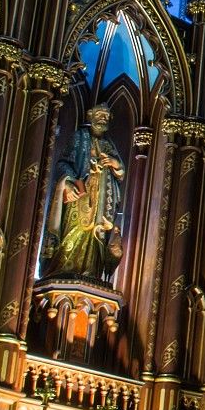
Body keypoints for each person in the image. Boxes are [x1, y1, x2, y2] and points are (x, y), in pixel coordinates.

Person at [46, 105, 126, 279]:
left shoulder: (109, 144)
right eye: (99, 114)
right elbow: (62, 163)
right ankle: (64, 272)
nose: (103, 118)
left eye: (106, 115)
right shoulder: (79, 137)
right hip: (80, 199)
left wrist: (115, 163)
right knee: (73, 234)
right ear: (90, 116)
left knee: (95, 239)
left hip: (102, 204)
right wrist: (67, 183)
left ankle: (91, 274)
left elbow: (120, 173)